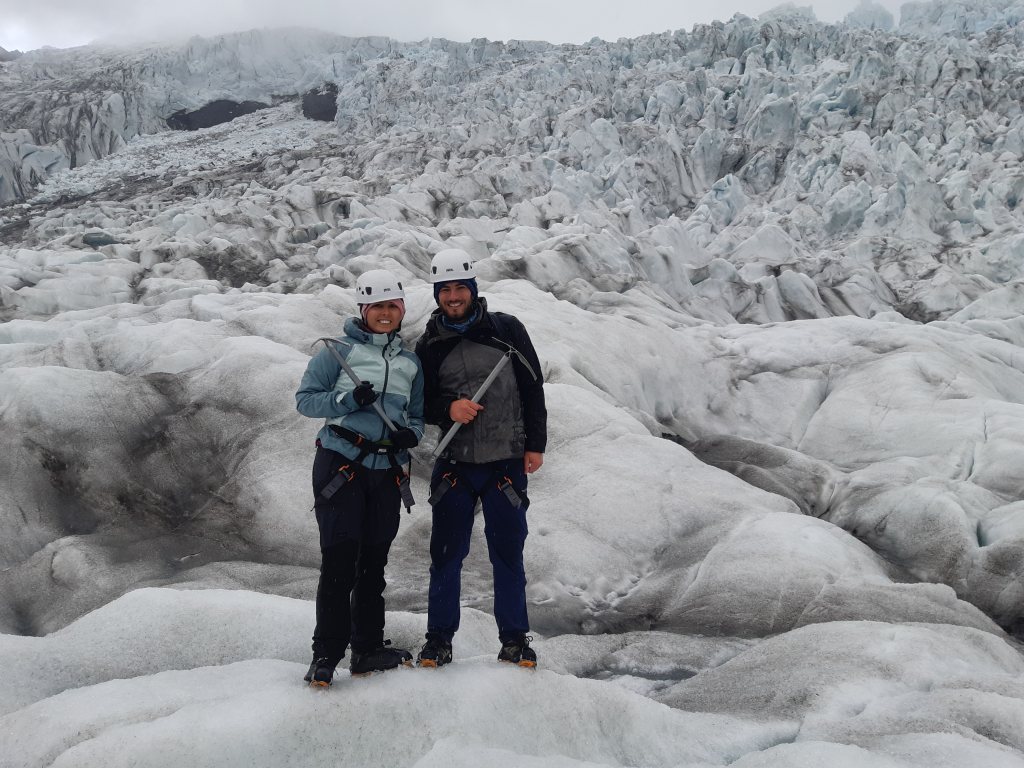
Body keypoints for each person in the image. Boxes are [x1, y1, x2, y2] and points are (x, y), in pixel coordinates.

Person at [414, 248, 547, 668]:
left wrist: (536, 444)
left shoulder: (507, 330)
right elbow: (420, 403)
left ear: (473, 288)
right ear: (437, 294)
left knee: (507, 554)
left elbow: (532, 387)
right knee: (446, 555)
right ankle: (438, 640)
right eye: (445, 289)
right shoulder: (429, 345)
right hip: (456, 464)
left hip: (505, 462)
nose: (453, 296)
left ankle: (514, 640)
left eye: (460, 288)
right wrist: (448, 409)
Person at [295, 269, 424, 686]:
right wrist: (348, 399)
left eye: (392, 306)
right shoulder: (337, 353)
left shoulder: (410, 363)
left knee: (373, 564)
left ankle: (366, 650)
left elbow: (416, 415)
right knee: (339, 561)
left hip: (386, 471)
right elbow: (306, 401)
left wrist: (411, 434)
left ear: (401, 310)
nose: (386, 314)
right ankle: (325, 655)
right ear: (363, 309)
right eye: (377, 306)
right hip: (342, 464)